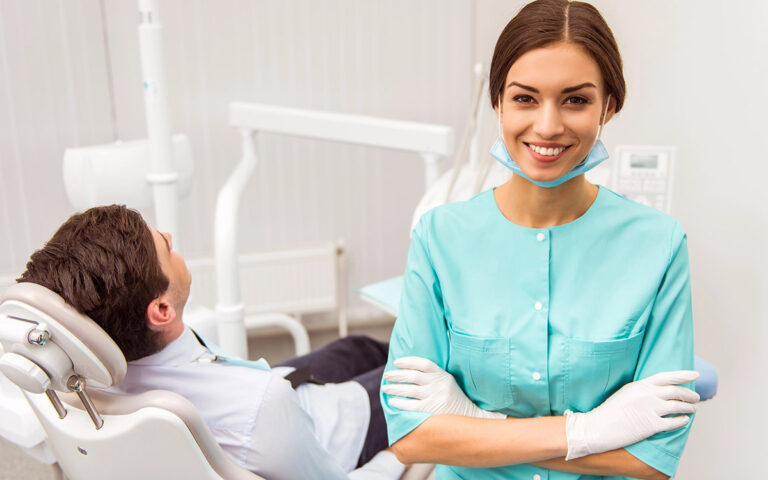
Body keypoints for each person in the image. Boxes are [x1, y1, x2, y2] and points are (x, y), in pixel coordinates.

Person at [380, 1, 698, 479]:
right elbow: (411, 437)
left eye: (575, 100)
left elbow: (650, 459)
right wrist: (590, 431)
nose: (547, 126)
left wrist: (475, 428)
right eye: (525, 98)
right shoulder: (439, 237)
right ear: (498, 104)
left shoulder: (659, 245)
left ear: (608, 106)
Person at [17, 204, 404, 480]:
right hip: (329, 434)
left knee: (359, 347)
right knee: (417, 368)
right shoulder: (260, 407)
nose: (169, 237)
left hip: (278, 400)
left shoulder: (88, 367)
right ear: (162, 310)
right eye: (165, 249)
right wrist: (403, 454)